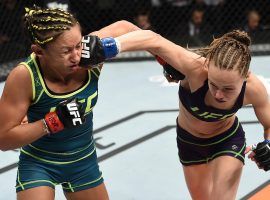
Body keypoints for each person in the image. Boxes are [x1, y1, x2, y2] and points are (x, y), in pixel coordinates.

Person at [83, 29, 270, 199]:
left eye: (228, 89)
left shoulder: (254, 90)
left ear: (246, 76)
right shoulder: (195, 68)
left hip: (227, 140)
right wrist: (108, 46)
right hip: (189, 142)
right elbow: (150, 38)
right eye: (213, 84)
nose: (219, 94)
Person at [0, 6, 141, 200]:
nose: (76, 56)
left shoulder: (89, 53)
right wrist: (52, 122)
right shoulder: (25, 76)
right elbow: (4, 138)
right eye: (66, 51)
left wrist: (164, 59)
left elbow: (126, 28)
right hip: (39, 163)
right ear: (39, 51)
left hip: (83, 162)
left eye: (78, 45)